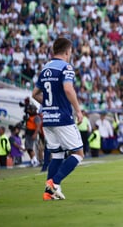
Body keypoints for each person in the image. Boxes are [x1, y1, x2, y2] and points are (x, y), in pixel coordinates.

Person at [32, 37, 84, 200]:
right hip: (62, 117)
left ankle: (48, 193)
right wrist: (78, 110)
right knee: (78, 153)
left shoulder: (46, 68)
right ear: (68, 51)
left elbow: (34, 94)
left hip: (48, 118)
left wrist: (48, 105)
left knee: (57, 155)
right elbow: (68, 89)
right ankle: (54, 183)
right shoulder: (66, 67)